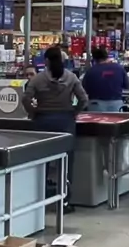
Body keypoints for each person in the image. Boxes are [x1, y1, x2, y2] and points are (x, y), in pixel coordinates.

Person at [23, 45, 88, 211]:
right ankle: (65, 201)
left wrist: (33, 112)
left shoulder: (37, 79)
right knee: (66, 162)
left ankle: (39, 199)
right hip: (65, 122)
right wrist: (74, 112)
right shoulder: (71, 77)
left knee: (41, 161)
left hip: (43, 122)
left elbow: (26, 98)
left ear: (46, 61)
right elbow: (83, 99)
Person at [82, 47, 129, 113]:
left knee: (96, 120)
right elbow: (127, 86)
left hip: (96, 104)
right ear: (107, 56)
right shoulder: (119, 68)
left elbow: (84, 89)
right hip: (116, 104)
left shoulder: (91, 71)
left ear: (94, 59)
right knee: (116, 119)